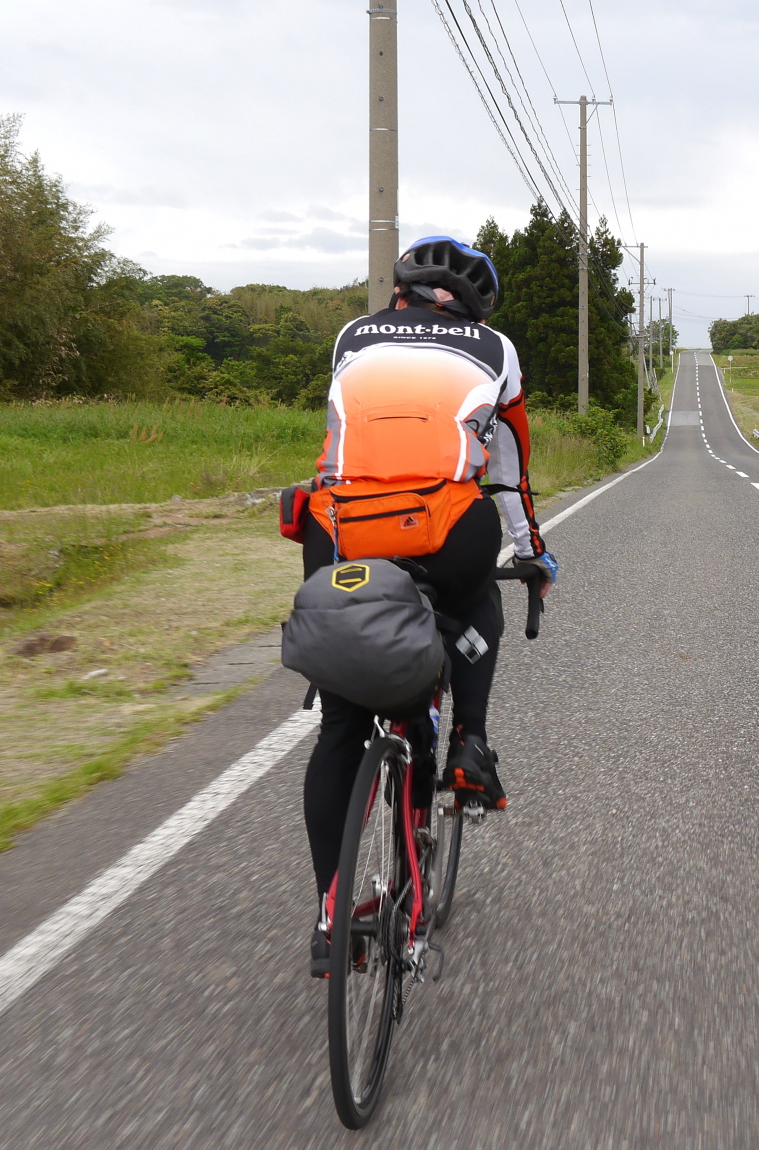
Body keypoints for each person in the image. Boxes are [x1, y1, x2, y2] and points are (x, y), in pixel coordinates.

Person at [296, 235, 557, 976]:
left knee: (343, 722)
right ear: (475, 309)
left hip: (338, 531)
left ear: (399, 292)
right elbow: (506, 469)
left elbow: (350, 438)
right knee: (478, 606)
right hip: (445, 532)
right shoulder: (496, 350)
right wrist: (533, 553)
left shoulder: (353, 336)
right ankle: (468, 742)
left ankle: (332, 914)